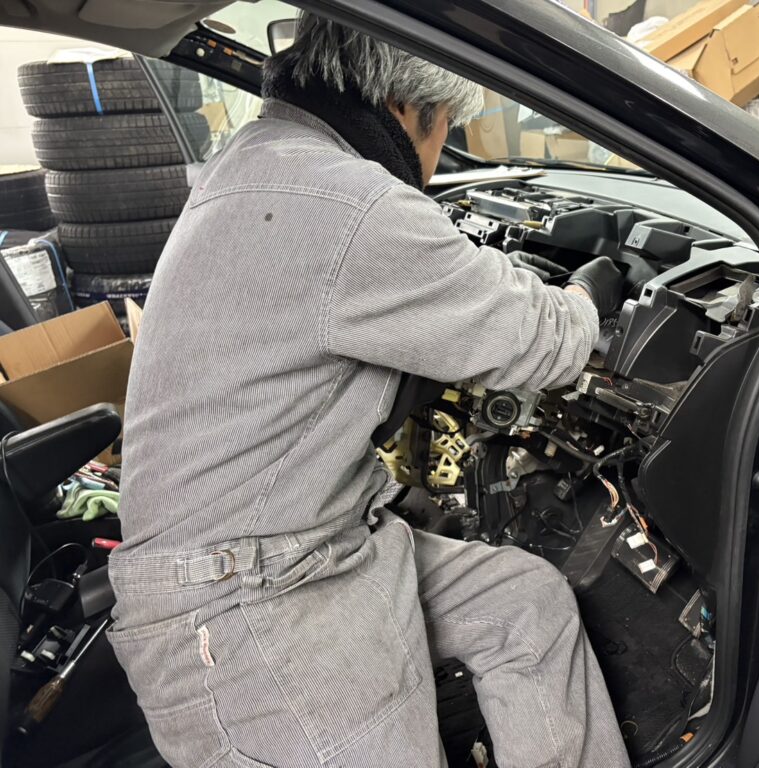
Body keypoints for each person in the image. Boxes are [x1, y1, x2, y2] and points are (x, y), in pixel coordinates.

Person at [106, 11, 629, 768]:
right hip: (245, 603)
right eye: (446, 130)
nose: (437, 160)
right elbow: (542, 341)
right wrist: (592, 291)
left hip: (295, 547)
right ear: (407, 106)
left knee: (525, 603)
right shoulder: (350, 201)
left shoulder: (258, 157)